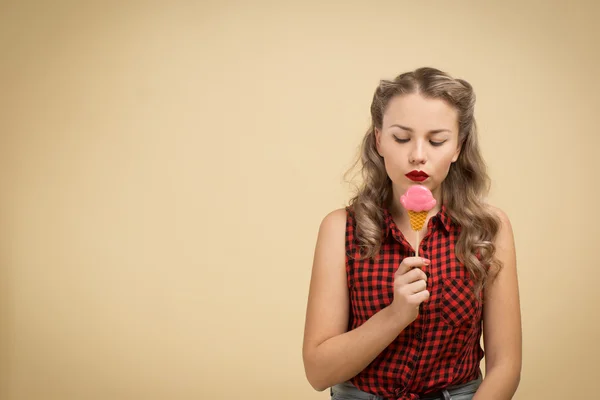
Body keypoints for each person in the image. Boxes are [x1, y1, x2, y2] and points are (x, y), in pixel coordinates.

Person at [302, 67, 522, 400]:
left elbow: (506, 365)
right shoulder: (341, 229)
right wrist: (395, 315)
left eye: (437, 140)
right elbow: (318, 373)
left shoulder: (489, 229)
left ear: (458, 147)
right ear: (378, 139)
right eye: (401, 138)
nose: (418, 154)